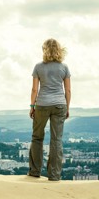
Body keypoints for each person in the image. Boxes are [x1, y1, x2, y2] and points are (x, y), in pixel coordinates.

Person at [27, 38, 71, 181]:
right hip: (60, 105)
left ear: (44, 50)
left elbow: (35, 89)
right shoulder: (64, 67)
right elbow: (68, 90)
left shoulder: (38, 67)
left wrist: (32, 106)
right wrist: (67, 107)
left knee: (37, 137)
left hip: (42, 104)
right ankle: (54, 175)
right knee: (56, 140)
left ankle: (34, 171)